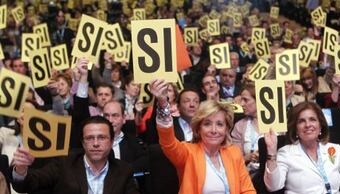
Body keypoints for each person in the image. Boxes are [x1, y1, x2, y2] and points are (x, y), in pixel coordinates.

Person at [150, 79, 256, 194]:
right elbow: (168, 142)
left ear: (226, 129)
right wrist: (163, 103)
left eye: (220, 124)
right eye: (207, 124)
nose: (214, 130)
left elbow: (248, 190)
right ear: (198, 128)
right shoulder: (188, 152)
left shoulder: (234, 153)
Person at [11, 116, 139, 194]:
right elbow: (29, 184)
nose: (95, 143)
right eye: (89, 138)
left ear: (111, 142)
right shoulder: (64, 163)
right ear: (83, 143)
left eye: (101, 138)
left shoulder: (124, 170)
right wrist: (21, 169)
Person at [263, 102, 340, 193]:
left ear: (320, 125)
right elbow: (273, 186)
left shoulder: (335, 150)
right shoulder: (286, 153)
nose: (308, 124)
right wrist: (272, 151)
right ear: (295, 128)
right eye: (301, 121)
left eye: (312, 119)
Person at [231, 83, 260, 175]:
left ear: (258, 100)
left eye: (246, 100)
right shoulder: (239, 126)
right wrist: (248, 157)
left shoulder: (279, 124)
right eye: (241, 100)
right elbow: (235, 161)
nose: (242, 104)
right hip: (249, 176)